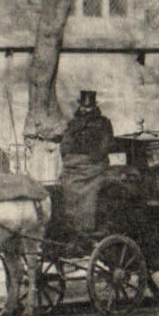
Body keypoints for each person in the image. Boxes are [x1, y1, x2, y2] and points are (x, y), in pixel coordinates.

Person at [59, 89, 115, 237]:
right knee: (65, 185)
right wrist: (69, 156)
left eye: (88, 107)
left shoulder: (103, 123)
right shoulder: (73, 123)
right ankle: (71, 224)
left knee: (90, 190)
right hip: (73, 164)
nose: (85, 110)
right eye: (83, 107)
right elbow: (66, 143)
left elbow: (106, 143)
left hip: (94, 165)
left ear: (94, 107)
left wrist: (91, 158)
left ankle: (86, 226)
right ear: (80, 106)